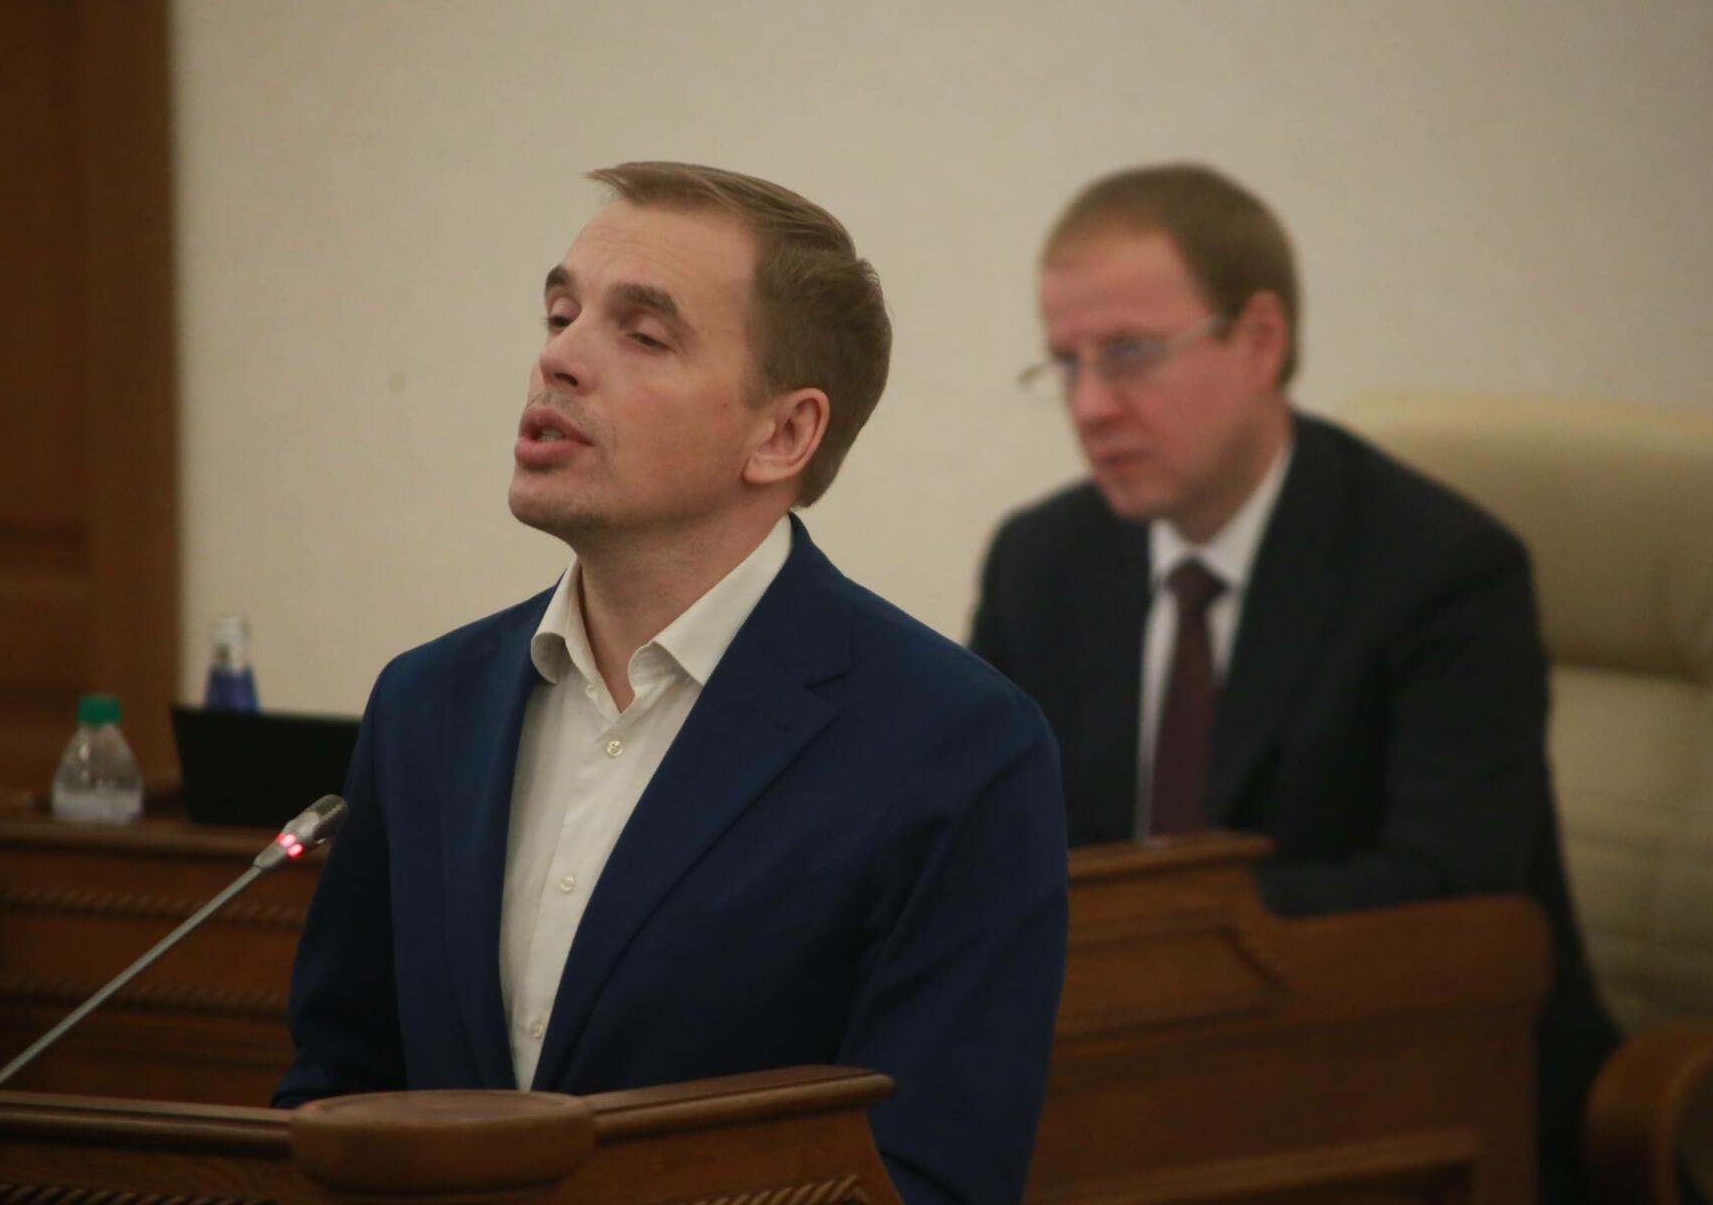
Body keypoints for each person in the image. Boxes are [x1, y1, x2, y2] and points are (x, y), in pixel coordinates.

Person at [278, 161, 1070, 1205]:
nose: (559, 358)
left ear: (782, 434)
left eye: (643, 335)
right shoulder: (426, 705)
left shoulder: (956, 745)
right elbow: (340, 1089)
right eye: (560, 314)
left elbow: (931, 1173)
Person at [968, 163, 1617, 1204]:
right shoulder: (1042, 562)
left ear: (1260, 339)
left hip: (1408, 1094)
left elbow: (1449, 888)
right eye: (1065, 364)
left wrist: (1141, 944)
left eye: (1129, 353)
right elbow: (985, 851)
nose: (1090, 406)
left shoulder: (1440, 569)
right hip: (1130, 1096)